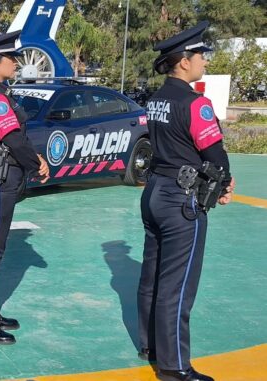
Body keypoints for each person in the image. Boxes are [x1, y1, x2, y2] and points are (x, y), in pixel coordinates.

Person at [137, 21, 235, 381]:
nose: (204, 62)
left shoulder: (157, 99)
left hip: (154, 193)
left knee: (152, 275)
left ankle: (150, 345)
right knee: (177, 285)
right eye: (200, 56)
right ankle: (174, 366)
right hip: (182, 200)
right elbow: (214, 152)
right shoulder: (196, 103)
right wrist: (223, 183)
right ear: (183, 62)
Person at [0, 31, 50, 344]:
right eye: (10, 58)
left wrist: (32, 158)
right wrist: (36, 163)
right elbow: (12, 139)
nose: (16, 63)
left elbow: (15, 135)